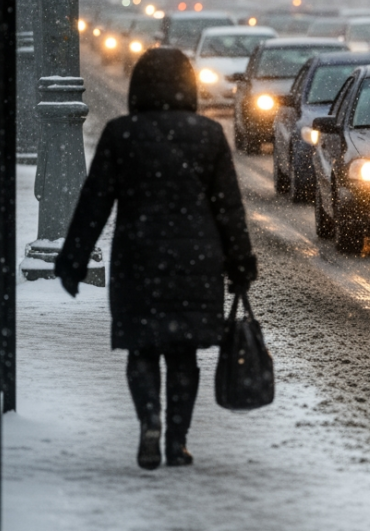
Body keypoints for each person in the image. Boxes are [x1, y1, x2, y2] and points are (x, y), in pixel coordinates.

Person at [55, 47, 257, 470]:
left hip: (138, 258)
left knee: (142, 349)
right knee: (183, 354)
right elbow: (229, 209)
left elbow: (94, 203)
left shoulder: (120, 134)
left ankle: (149, 420)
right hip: (195, 262)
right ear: (187, 87)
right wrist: (239, 264)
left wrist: (73, 259)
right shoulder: (207, 135)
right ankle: (177, 443)